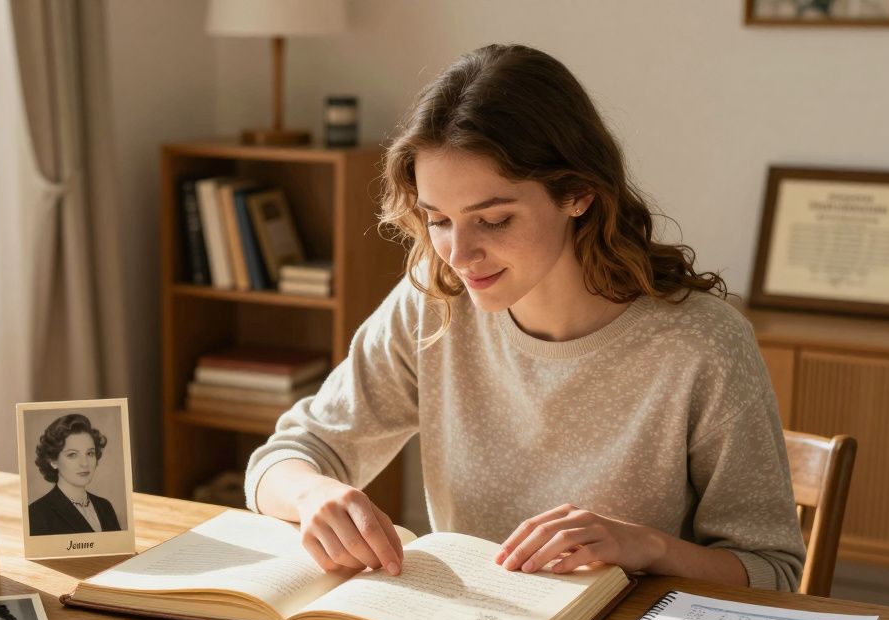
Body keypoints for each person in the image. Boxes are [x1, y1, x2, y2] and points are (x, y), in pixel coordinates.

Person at [244, 44, 805, 591]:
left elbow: (774, 572)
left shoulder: (701, 343)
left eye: (493, 220)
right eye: (438, 219)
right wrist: (312, 495)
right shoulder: (433, 305)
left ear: (579, 193)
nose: (459, 256)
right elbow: (283, 460)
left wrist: (649, 547)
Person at [28, 414, 122, 536]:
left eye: (90, 453)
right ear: (53, 461)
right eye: (72, 455)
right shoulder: (37, 513)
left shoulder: (105, 507)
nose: (84, 463)